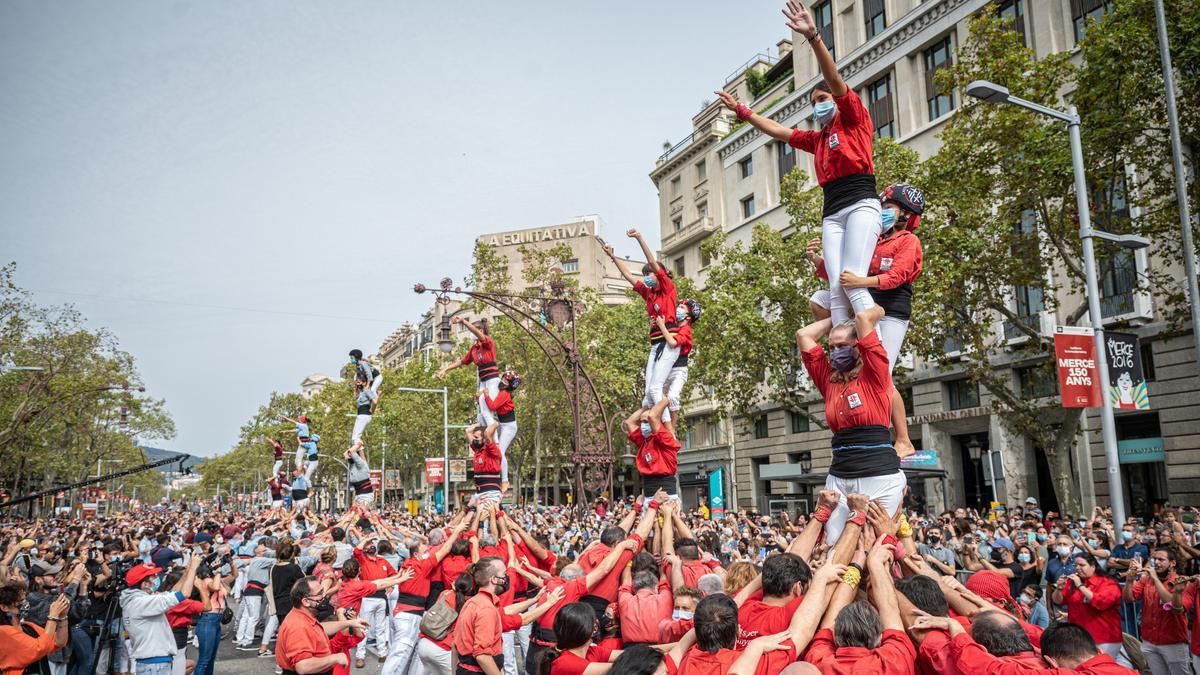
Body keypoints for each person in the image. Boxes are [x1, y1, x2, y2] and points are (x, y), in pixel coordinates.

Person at [717, 1, 883, 329]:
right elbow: (779, 131)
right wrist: (743, 112)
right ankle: (843, 359)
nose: (818, 106)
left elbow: (834, 80)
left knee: (853, 280)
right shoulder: (816, 140)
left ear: (835, 101)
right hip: (832, 211)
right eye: (813, 103)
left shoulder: (854, 119)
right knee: (836, 290)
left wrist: (814, 38)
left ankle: (874, 356)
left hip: (862, 203)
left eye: (822, 100)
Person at [807, 183, 925, 456]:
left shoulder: (908, 241)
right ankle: (841, 341)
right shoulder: (873, 239)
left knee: (883, 374)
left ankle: (904, 440)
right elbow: (845, 273)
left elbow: (897, 276)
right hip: (863, 307)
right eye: (880, 207)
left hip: (890, 313)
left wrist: (862, 281)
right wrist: (817, 261)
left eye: (888, 208)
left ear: (906, 214)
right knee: (818, 299)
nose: (882, 212)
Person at [796, 305, 903, 544]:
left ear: (858, 347)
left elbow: (865, 318)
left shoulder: (875, 373)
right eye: (831, 347)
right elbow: (804, 335)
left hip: (877, 475)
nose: (835, 352)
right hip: (840, 475)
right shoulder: (828, 380)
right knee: (833, 543)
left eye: (842, 346)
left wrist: (863, 309)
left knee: (877, 544)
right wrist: (837, 316)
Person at [602, 230, 679, 420]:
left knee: (655, 388)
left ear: (659, 275)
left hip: (668, 341)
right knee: (648, 393)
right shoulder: (649, 294)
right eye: (644, 274)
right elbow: (627, 274)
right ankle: (658, 425)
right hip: (655, 344)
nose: (646, 277)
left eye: (649, 274)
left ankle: (668, 429)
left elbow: (652, 262)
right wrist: (612, 256)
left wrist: (639, 238)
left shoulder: (667, 288)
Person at [119, 554, 201, 675]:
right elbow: (184, 594)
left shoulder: (138, 599)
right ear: (144, 584)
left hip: (152, 663)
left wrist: (187, 572)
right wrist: (194, 568)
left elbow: (171, 593)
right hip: (154, 665)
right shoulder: (142, 602)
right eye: (152, 577)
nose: (155, 579)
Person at [276, 576, 367, 675]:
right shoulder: (298, 625)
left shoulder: (302, 615)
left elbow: (318, 628)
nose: (324, 595)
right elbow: (303, 666)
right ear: (306, 602)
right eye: (319, 594)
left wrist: (349, 623)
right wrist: (335, 658)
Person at [1053, 552, 1128, 666]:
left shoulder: (1107, 582)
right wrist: (1058, 589)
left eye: (1082, 565)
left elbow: (1101, 603)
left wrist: (1080, 586)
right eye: (1075, 565)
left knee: (1102, 669)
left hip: (1104, 637)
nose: (1077, 568)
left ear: (1093, 566)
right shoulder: (1073, 581)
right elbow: (1058, 600)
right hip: (1079, 637)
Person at [1124, 551, 1188, 675]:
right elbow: (1128, 598)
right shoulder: (1145, 580)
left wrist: (1155, 579)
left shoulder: (1181, 581)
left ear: (1172, 563)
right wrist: (1129, 581)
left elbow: (1170, 603)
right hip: (1149, 641)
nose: (1156, 563)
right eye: (1155, 559)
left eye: (1161, 560)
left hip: (1173, 642)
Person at [437, 317, 502, 428]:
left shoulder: (487, 343)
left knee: (487, 412)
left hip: (492, 380)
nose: (470, 334)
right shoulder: (474, 349)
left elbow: (476, 332)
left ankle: (494, 441)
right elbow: (462, 361)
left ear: (480, 331)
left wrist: (463, 321)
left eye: (471, 331)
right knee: (481, 414)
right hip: (483, 381)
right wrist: (445, 370)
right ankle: (490, 438)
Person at [0, 581, 70, 675]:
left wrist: (62, 616)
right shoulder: (3, 631)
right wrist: (52, 616)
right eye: (20, 602)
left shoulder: (28, 626)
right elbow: (38, 648)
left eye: (25, 600)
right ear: (4, 607)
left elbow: (59, 642)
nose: (25, 604)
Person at [453, 556, 508, 675]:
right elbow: (482, 656)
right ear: (494, 579)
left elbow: (455, 645)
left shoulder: (471, 602)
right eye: (504, 574)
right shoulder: (486, 608)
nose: (506, 578)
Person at [538, 602, 619, 675]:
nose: (598, 623)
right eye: (593, 622)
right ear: (583, 631)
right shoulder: (565, 663)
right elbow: (622, 667)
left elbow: (626, 655)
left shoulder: (590, 651)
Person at [622, 397, 680, 499]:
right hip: (648, 494)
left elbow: (653, 416)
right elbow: (630, 422)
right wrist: (646, 406)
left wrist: (664, 400)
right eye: (642, 422)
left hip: (665, 495)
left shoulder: (666, 439)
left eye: (646, 421)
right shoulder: (644, 441)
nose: (643, 425)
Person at [656, 299, 701, 430]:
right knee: (656, 397)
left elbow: (672, 342)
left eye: (681, 307)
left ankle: (672, 431)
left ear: (688, 316)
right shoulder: (674, 326)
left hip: (679, 370)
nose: (678, 309)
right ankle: (661, 427)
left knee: (673, 397)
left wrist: (661, 326)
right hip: (667, 368)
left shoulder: (686, 330)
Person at [482, 369, 521, 493]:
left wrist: (486, 396)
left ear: (510, 385)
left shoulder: (504, 393)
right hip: (500, 422)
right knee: (481, 418)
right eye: (503, 378)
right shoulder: (500, 386)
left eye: (506, 380)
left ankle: (505, 480)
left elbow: (493, 406)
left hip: (509, 426)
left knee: (500, 452)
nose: (503, 380)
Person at [466, 423, 503, 508]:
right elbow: (468, 431)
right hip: (480, 492)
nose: (474, 439)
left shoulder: (491, 450)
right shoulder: (477, 450)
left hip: (491, 492)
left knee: (490, 518)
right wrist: (480, 422)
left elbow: (487, 433)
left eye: (476, 437)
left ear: (484, 439)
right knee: (469, 515)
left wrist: (496, 423)